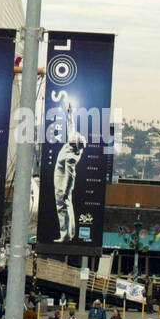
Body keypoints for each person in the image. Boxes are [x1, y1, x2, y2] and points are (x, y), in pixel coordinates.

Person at [53, 104, 87, 243]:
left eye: (72, 142)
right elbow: (71, 127)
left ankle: (65, 234)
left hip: (62, 181)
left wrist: (65, 191)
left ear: (75, 146)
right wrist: (70, 114)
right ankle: (69, 233)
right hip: (59, 177)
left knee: (62, 207)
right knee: (67, 206)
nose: (70, 140)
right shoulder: (73, 141)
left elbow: (70, 176)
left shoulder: (72, 157)